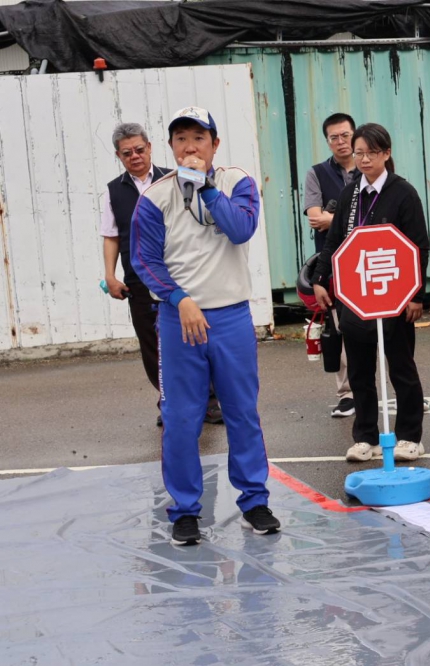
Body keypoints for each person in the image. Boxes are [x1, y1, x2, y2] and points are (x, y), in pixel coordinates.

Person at [131, 106, 280, 546]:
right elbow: (145, 261)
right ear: (170, 146)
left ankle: (254, 502)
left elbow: (240, 229)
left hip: (231, 316)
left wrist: (207, 187)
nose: (189, 147)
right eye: (181, 139)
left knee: (242, 412)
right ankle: (184, 511)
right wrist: (179, 299)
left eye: (199, 138)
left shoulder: (236, 182)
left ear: (215, 144)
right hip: (179, 319)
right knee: (181, 418)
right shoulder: (154, 197)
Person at [310, 123, 428, 464]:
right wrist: (321, 278)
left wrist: (417, 295)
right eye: (358, 153)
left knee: (401, 369)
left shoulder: (403, 192)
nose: (363, 159)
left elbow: (418, 246)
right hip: (355, 294)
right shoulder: (350, 194)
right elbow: (334, 242)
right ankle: (365, 437)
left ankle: (410, 437)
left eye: (371, 153)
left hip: (395, 294)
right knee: (360, 371)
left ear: (386, 154)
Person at [100, 123, 221, 427]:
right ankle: (169, 403)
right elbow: (111, 236)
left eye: (139, 149)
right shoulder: (114, 191)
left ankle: (208, 403)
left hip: (179, 276)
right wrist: (110, 275)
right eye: (127, 153)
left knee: (193, 339)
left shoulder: (175, 178)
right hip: (139, 280)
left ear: (150, 147)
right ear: (118, 156)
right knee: (152, 346)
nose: (135, 156)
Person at [303, 112, 361, 419]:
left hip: (368, 260)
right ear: (327, 141)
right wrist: (352, 220)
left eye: (345, 135)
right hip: (333, 262)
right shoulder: (316, 173)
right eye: (334, 137)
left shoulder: (371, 166)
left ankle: (383, 389)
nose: (341, 142)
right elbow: (315, 218)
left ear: (355, 134)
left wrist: (334, 219)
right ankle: (347, 394)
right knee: (339, 327)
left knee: (379, 327)